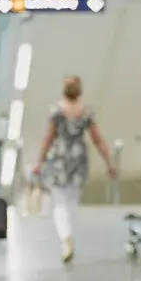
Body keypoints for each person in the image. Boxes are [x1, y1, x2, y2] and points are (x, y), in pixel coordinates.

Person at [31, 75, 116, 263]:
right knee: (72, 200)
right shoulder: (86, 112)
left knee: (59, 202)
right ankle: (69, 234)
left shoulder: (56, 111)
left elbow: (49, 137)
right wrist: (109, 162)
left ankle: (65, 237)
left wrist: (39, 161)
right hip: (78, 158)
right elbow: (97, 139)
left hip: (59, 158)